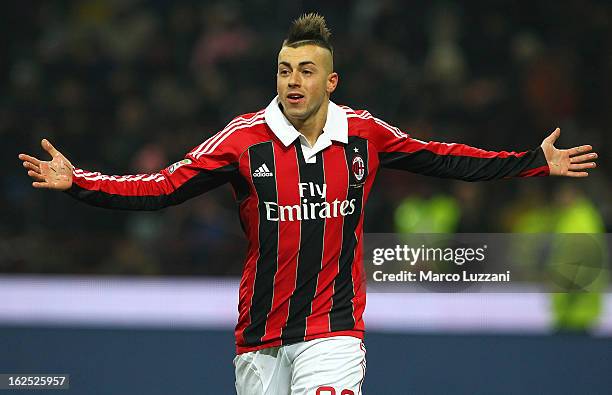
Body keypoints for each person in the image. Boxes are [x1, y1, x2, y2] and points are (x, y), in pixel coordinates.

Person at [18, 13, 598, 395]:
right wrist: (82, 182)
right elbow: (163, 187)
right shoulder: (243, 140)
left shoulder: (364, 135)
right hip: (260, 339)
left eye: (306, 71)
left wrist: (531, 161)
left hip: (335, 333)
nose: (293, 81)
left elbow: (443, 157)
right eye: (284, 70)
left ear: (331, 81)